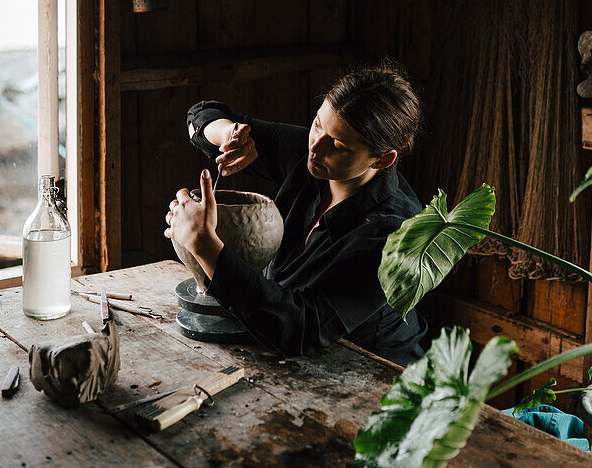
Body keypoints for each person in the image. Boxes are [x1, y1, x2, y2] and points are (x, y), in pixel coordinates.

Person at [164, 62, 427, 365]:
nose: (316, 145)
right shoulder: (311, 155)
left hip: (373, 369)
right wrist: (229, 134)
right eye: (318, 123)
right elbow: (200, 114)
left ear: (382, 160)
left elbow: (303, 328)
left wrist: (203, 244)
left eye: (338, 145)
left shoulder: (396, 234)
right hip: (291, 352)